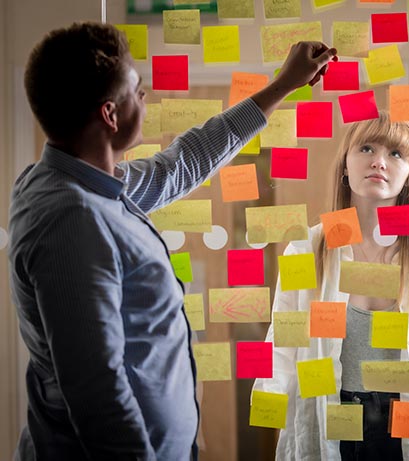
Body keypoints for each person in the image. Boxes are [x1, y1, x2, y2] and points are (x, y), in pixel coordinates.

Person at [9, 21, 336, 460]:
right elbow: (96, 392)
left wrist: (283, 86)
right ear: (110, 114)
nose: (144, 99)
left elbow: (183, 162)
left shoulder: (89, 183)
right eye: (137, 90)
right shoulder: (71, 220)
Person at [253, 111, 409, 460]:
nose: (379, 162)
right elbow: (283, 337)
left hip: (403, 421)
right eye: (366, 148)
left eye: (395, 154)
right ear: (345, 166)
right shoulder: (308, 247)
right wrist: (270, 405)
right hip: (327, 414)